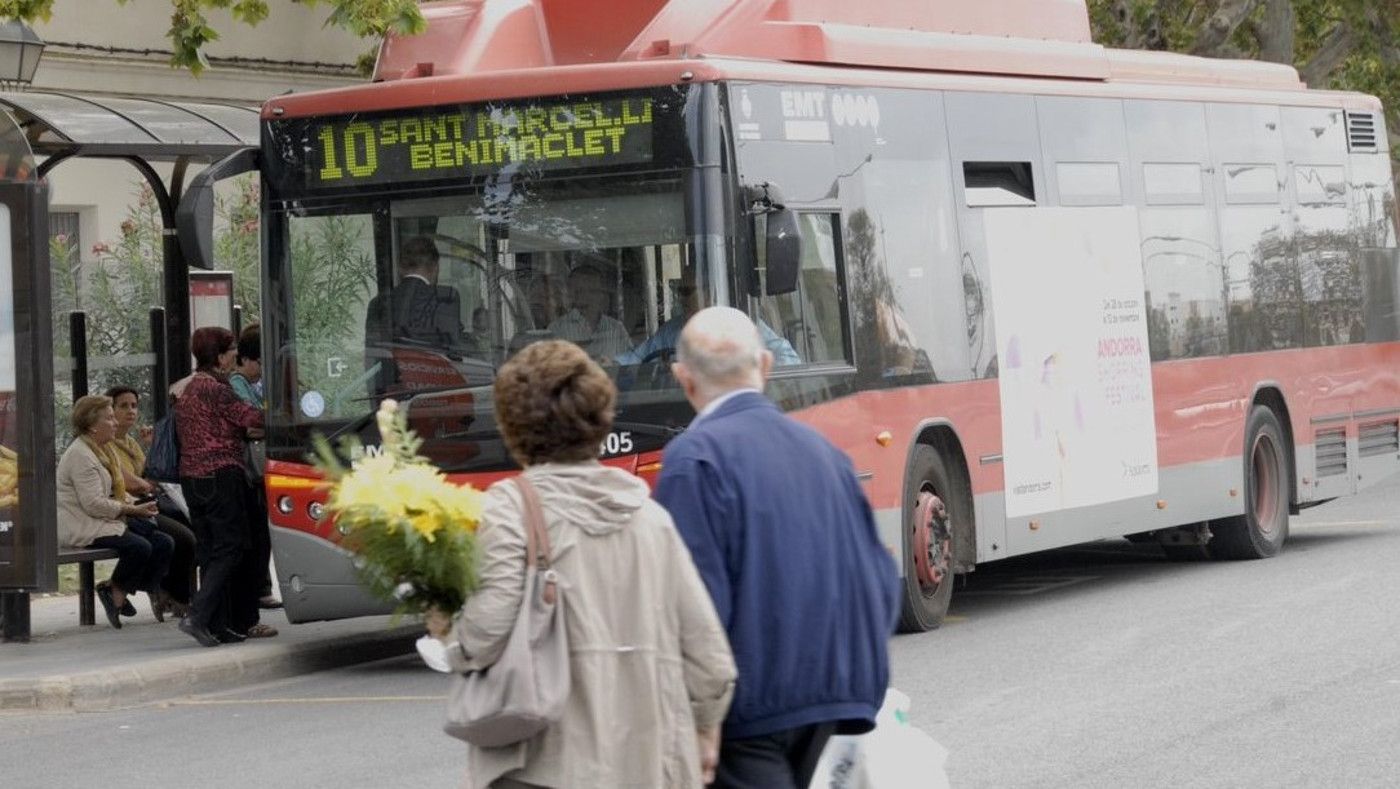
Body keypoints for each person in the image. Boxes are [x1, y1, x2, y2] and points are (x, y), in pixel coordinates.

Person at [426, 340, 736, 789]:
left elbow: (486, 632)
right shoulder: (651, 519)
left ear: (511, 425)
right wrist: (704, 731)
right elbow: (711, 662)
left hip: (543, 765)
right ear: (601, 417)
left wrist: (448, 635)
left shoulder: (511, 509)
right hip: (647, 768)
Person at [654, 306, 900, 789]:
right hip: (835, 698)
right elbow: (879, 579)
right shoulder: (824, 452)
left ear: (683, 378)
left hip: (748, 712)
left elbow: (691, 608)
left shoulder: (694, 459)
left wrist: (699, 720)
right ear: (765, 366)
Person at [174, 326, 276, 647]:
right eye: (231, 350)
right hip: (220, 475)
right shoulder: (217, 390)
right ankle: (197, 615)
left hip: (192, 478)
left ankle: (216, 625)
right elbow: (253, 420)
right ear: (219, 356)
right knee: (231, 547)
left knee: (209, 549)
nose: (235, 355)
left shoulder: (190, 387)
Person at [57, 395, 174, 629]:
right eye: (109, 418)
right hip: (84, 523)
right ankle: (117, 594)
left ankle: (114, 587)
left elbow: (114, 491)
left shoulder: (103, 450)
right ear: (92, 426)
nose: (115, 423)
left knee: (164, 542)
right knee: (140, 547)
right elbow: (93, 504)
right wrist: (132, 510)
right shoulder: (80, 455)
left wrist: (139, 505)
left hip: (104, 518)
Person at [103, 386, 196, 620]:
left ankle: (170, 591)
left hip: (146, 504)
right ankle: (175, 596)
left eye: (134, 406)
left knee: (195, 530)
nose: (131, 411)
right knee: (184, 538)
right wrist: (148, 481)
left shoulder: (131, 443)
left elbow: (149, 475)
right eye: (123, 406)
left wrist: (152, 447)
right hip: (128, 509)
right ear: (109, 410)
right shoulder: (106, 444)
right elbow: (134, 483)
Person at [615, 271, 801, 366]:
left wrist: (744, 373)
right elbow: (637, 358)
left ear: (708, 292)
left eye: (686, 291)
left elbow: (789, 359)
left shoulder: (739, 323)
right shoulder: (673, 329)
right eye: (678, 291)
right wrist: (613, 364)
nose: (680, 298)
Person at [228, 325, 280, 611]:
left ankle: (261, 587)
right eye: (260, 362)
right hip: (248, 469)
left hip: (258, 467)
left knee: (262, 528)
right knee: (257, 529)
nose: (262, 369)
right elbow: (250, 426)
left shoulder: (253, 385)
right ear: (246, 359)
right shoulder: (237, 384)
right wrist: (270, 424)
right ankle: (259, 589)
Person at [364, 236, 470, 351]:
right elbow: (454, 350)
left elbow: (373, 353)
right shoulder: (446, 298)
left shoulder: (377, 303)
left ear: (400, 268)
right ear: (435, 268)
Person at [546, 264, 631, 360]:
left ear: (602, 295)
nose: (585, 297)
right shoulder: (557, 329)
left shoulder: (616, 329)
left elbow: (630, 363)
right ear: (570, 295)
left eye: (592, 291)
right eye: (579, 291)